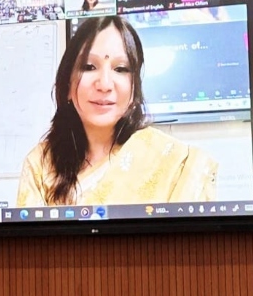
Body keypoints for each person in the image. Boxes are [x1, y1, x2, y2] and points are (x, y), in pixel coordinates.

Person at [17, 16, 217, 206]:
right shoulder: (41, 165)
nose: (104, 84)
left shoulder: (178, 163)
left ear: (134, 88)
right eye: (89, 66)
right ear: (67, 84)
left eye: (121, 69)